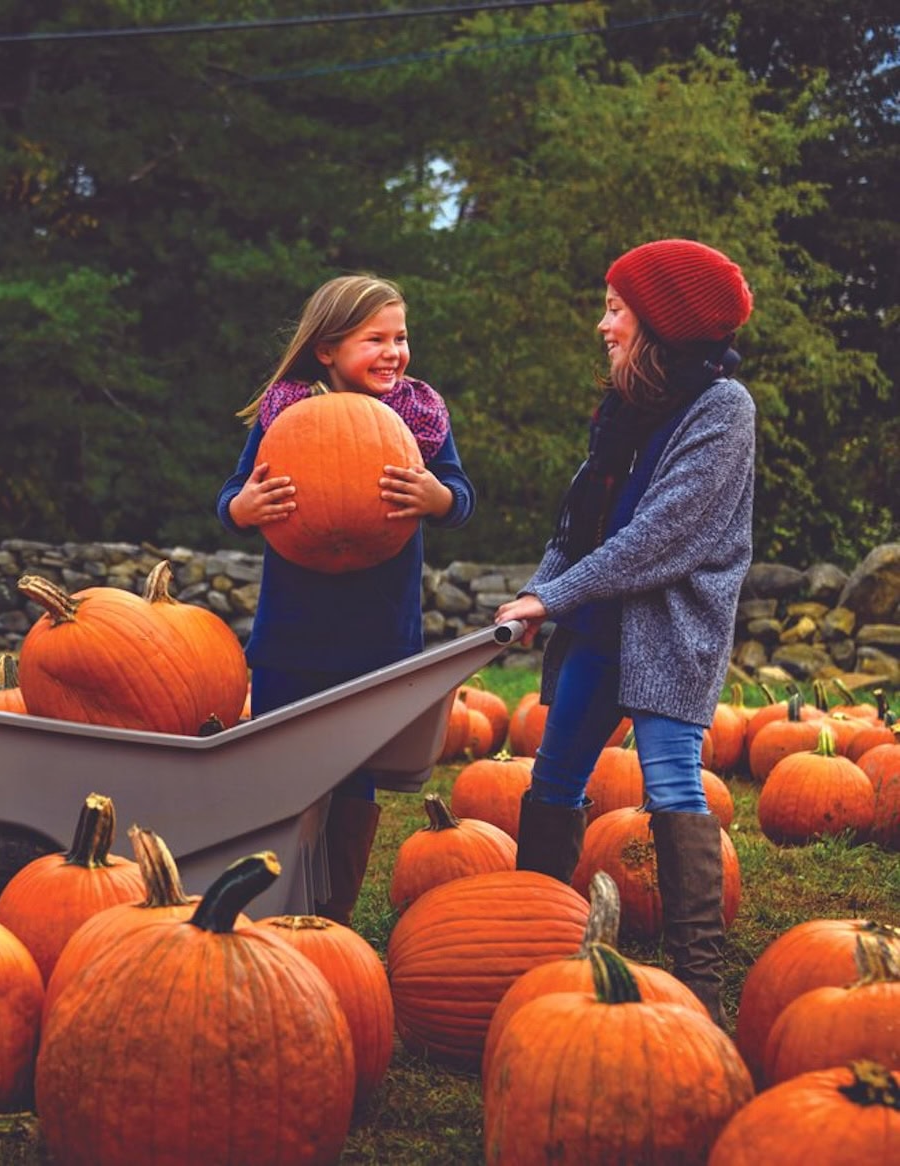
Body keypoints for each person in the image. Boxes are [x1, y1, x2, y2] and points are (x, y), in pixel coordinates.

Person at [494, 239, 756, 1024]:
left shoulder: (722, 410)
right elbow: (579, 527)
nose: (602, 326)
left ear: (661, 323)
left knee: (674, 782)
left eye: (615, 310)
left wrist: (558, 596)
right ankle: (532, 952)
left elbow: (663, 535)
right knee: (555, 779)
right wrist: (544, 589)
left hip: (669, 634)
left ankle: (699, 992)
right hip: (599, 630)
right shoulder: (624, 410)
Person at [217, 274, 475, 925]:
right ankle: (273, 898)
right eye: (375, 339)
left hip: (378, 634)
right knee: (281, 762)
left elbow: (459, 495)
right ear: (328, 349)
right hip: (293, 632)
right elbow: (232, 497)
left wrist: (434, 498)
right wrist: (243, 508)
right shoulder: (287, 413)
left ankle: (331, 914)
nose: (394, 351)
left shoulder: (419, 415)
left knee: (354, 774)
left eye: (401, 337)